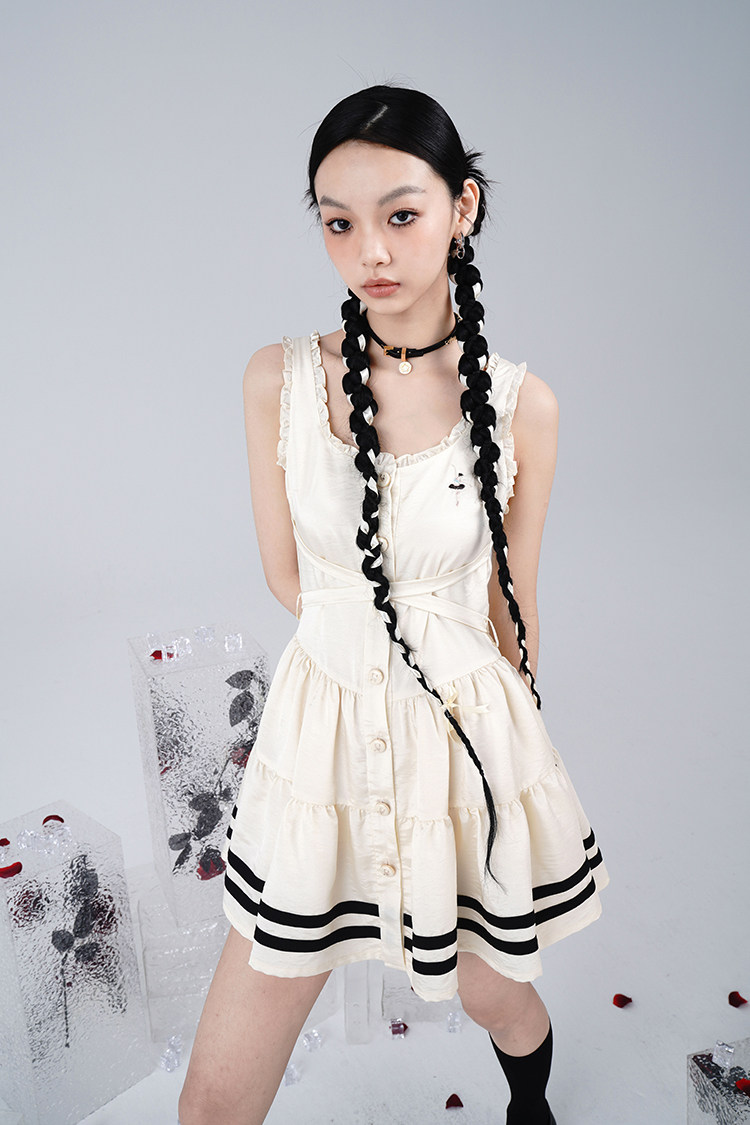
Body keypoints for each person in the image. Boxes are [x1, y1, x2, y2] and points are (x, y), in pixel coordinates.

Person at [178, 83, 610, 1125]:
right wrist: (361, 651)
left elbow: (512, 606)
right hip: (320, 740)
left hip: (459, 743)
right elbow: (289, 576)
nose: (369, 249)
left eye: (400, 214)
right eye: (338, 223)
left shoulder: (522, 405)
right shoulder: (278, 380)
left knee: (496, 994)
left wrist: (514, 765)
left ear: (463, 207)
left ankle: (531, 1103)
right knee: (214, 1100)